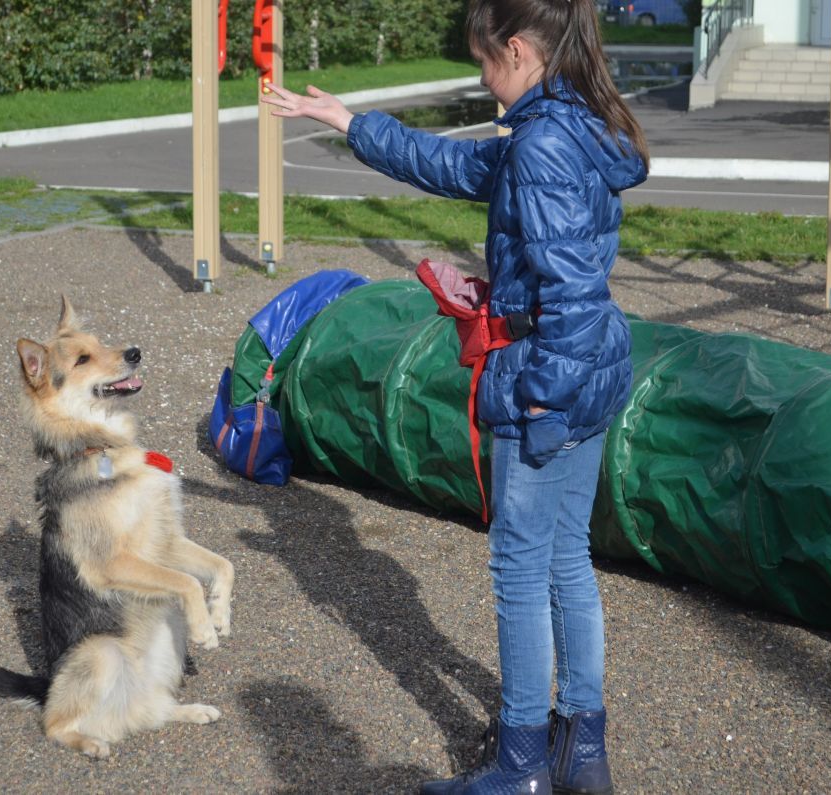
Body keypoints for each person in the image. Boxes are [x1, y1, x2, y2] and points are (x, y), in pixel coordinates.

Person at [262, 0, 648, 792]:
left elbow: (569, 291)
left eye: (483, 59)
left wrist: (538, 396)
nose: (480, 76)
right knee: (566, 556)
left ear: (516, 48)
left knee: (518, 565)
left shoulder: (540, 143)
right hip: (598, 367)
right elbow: (457, 168)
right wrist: (349, 121)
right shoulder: (575, 121)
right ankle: (582, 750)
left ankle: (519, 764)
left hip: (552, 373)